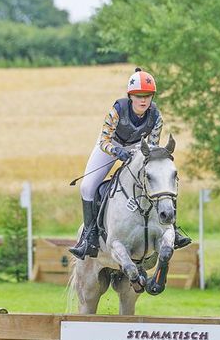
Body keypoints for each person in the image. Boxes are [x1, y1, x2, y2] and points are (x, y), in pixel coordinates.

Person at [69, 68, 192, 260]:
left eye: (148, 96)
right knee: (87, 187)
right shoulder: (117, 110)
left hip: (138, 148)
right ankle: (89, 237)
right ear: (130, 96)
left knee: (160, 180)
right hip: (112, 145)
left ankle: (172, 229)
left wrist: (140, 155)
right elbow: (104, 141)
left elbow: (152, 146)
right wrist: (117, 151)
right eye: (138, 96)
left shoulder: (156, 116)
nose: (143, 100)